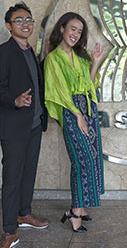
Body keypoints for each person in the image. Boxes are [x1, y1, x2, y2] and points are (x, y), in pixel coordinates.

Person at [0, 2, 49, 248]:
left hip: (33, 124)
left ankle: (24, 213)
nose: (25, 24)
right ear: (8, 25)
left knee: (28, 172)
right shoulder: (3, 52)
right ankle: (9, 231)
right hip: (14, 126)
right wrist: (15, 100)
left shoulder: (30, 52)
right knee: (12, 178)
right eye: (19, 20)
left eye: (29, 19)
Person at [44, 12, 105, 233]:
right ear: (62, 29)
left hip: (88, 108)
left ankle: (79, 207)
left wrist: (95, 63)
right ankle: (75, 211)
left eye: (80, 31)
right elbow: (59, 92)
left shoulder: (81, 57)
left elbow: (88, 86)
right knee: (83, 161)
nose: (76, 34)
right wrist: (78, 115)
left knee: (91, 158)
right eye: (72, 29)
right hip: (72, 112)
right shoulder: (53, 59)